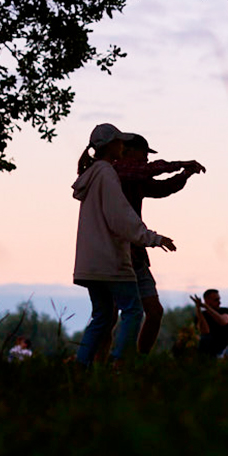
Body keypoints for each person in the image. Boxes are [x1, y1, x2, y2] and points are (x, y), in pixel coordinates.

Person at [72, 123, 176, 368]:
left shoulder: (90, 176)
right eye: (119, 142)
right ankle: (121, 363)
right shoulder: (107, 174)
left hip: (89, 263)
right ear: (110, 146)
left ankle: (80, 366)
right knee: (133, 311)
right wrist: (153, 238)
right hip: (112, 261)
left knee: (102, 317)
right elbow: (121, 218)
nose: (122, 146)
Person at [112, 134, 204, 354]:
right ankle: (104, 362)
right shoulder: (116, 172)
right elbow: (148, 171)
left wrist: (185, 174)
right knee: (110, 314)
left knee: (153, 312)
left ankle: (138, 360)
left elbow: (162, 189)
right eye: (144, 152)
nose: (146, 158)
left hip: (136, 254)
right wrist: (181, 164)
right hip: (116, 254)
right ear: (129, 151)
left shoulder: (135, 177)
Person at [192, 289, 228, 358]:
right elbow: (204, 331)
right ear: (207, 301)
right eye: (216, 300)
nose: (219, 302)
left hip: (226, 348)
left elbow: (223, 321)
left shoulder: (224, 311)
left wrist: (206, 307)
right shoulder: (202, 315)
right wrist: (198, 308)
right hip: (211, 350)